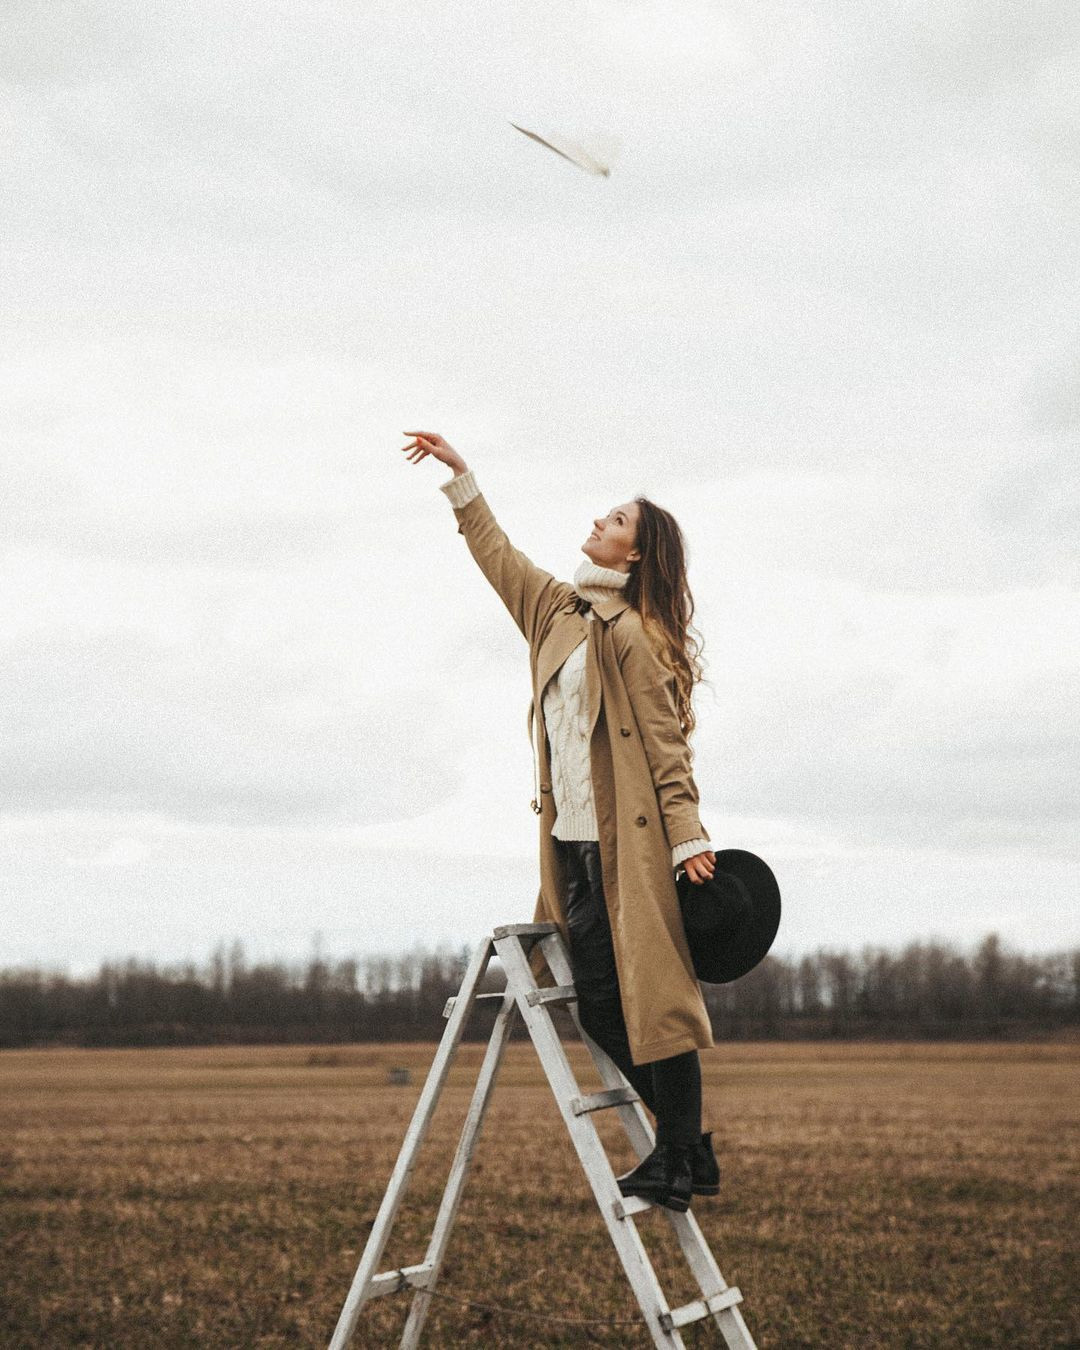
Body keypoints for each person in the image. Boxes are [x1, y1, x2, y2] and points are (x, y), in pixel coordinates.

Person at [400, 429, 721, 1212]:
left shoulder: (638, 638)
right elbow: (497, 555)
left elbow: (667, 749)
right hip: (572, 851)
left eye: (615, 520)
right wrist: (461, 478)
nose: (598, 522)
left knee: (658, 1007)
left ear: (636, 554)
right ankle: (690, 1150)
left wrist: (688, 838)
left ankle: (681, 1157)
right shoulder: (556, 611)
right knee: (600, 1006)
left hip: (634, 853)